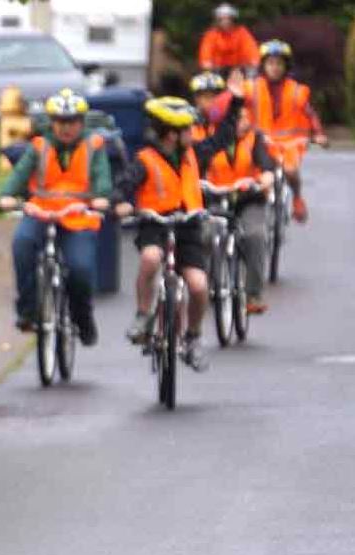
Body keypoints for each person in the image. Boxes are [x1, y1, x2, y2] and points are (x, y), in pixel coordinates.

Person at [114, 79, 244, 372]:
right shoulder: (145, 159)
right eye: (187, 129)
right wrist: (120, 202)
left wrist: (234, 103)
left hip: (187, 226)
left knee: (198, 286)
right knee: (151, 258)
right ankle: (143, 314)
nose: (193, 134)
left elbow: (223, 137)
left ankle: (192, 338)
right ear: (172, 134)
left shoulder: (193, 154)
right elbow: (125, 184)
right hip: (155, 224)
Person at [0, 88, 112, 345]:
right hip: (41, 211)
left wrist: (102, 197)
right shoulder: (39, 146)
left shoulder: (94, 145)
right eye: (61, 121)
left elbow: (103, 179)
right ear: (52, 122)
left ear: (81, 122)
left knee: (80, 268)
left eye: (72, 122)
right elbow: (18, 176)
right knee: (22, 245)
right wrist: (6, 196)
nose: (66, 127)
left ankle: (83, 318)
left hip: (78, 216)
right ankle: (28, 311)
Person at [245, 39, 329, 222]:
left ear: (286, 66)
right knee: (252, 173)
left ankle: (297, 199)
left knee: (290, 170)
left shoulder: (297, 90)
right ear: (263, 65)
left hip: (290, 142)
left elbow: (310, 114)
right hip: (260, 141)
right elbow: (237, 109)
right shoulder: (251, 87)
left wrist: (319, 134)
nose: (275, 68)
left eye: (279, 64)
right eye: (270, 63)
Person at [204, 105, 276, 314]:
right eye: (234, 118)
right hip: (218, 198)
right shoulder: (212, 140)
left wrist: (266, 178)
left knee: (255, 235)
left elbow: (267, 165)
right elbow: (195, 165)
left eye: (243, 118)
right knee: (207, 234)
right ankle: (210, 281)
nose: (239, 122)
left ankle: (253, 294)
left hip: (249, 199)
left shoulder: (255, 139)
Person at [198, 3, 259, 75]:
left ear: (233, 19)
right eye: (222, 19)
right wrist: (206, 62)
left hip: (238, 69)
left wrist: (254, 60)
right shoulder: (211, 35)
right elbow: (206, 50)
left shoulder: (242, 32)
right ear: (218, 20)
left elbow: (250, 46)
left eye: (228, 18)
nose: (226, 21)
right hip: (217, 70)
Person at [190, 71, 231, 141]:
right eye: (207, 97)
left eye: (215, 96)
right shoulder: (189, 121)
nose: (212, 101)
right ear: (196, 99)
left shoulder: (228, 119)